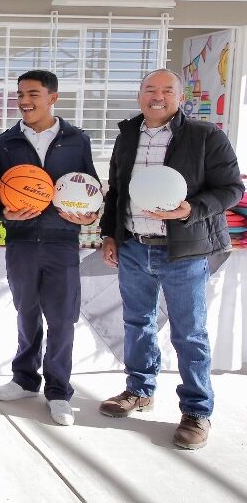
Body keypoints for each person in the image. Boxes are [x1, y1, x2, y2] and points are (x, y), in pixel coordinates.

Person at [98, 69, 244, 450]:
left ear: (181, 98)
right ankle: (139, 390)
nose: (157, 96)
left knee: (188, 332)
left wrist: (190, 210)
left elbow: (232, 189)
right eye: (150, 89)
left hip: (184, 251)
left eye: (167, 90)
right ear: (139, 96)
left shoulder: (205, 136)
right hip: (134, 247)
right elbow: (116, 191)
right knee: (137, 323)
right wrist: (109, 234)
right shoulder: (127, 136)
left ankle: (196, 410)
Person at [0, 70, 99, 426]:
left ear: (53, 97)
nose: (24, 100)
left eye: (33, 93)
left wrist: (89, 214)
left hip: (62, 241)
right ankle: (24, 379)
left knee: (62, 318)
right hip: (20, 241)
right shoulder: (6, 143)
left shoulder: (77, 141)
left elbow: (90, 187)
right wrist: (3, 213)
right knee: (26, 313)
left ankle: (59, 391)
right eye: (20, 94)